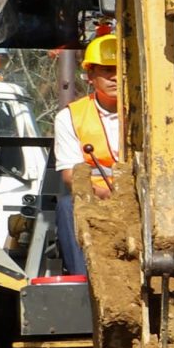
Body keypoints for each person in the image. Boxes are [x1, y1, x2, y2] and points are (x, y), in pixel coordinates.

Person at [51, 31, 123, 273]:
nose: (115, 77)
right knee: (68, 207)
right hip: (97, 198)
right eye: (106, 70)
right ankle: (85, 280)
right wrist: (105, 194)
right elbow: (70, 175)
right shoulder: (71, 117)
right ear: (91, 74)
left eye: (120, 68)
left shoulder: (151, 114)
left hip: (146, 197)